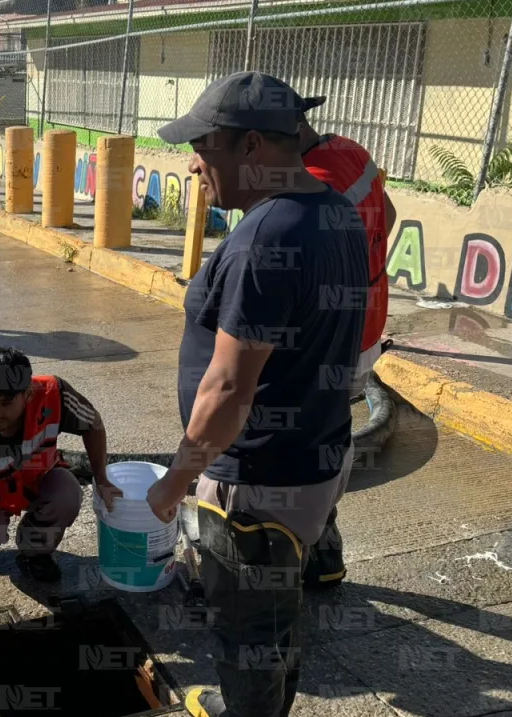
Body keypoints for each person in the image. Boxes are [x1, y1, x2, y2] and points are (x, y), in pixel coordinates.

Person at [141, 73, 369, 717]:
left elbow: (230, 385)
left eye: (205, 147)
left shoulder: (266, 240)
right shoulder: (335, 211)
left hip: (257, 477)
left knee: (244, 628)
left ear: (250, 150)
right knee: (277, 609)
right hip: (316, 457)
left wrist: (174, 482)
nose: (193, 162)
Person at [0, 348, 121, 622]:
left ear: (28, 395)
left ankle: (35, 553)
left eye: (5, 403)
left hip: (37, 481)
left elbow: (93, 423)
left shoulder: (55, 394)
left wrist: (102, 478)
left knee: (67, 493)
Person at [297, 98, 398, 589]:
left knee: (304, 436)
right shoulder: (352, 152)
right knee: (333, 427)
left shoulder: (310, 184)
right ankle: (324, 548)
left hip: (329, 338)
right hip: (366, 327)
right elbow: (391, 213)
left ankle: (310, 540)